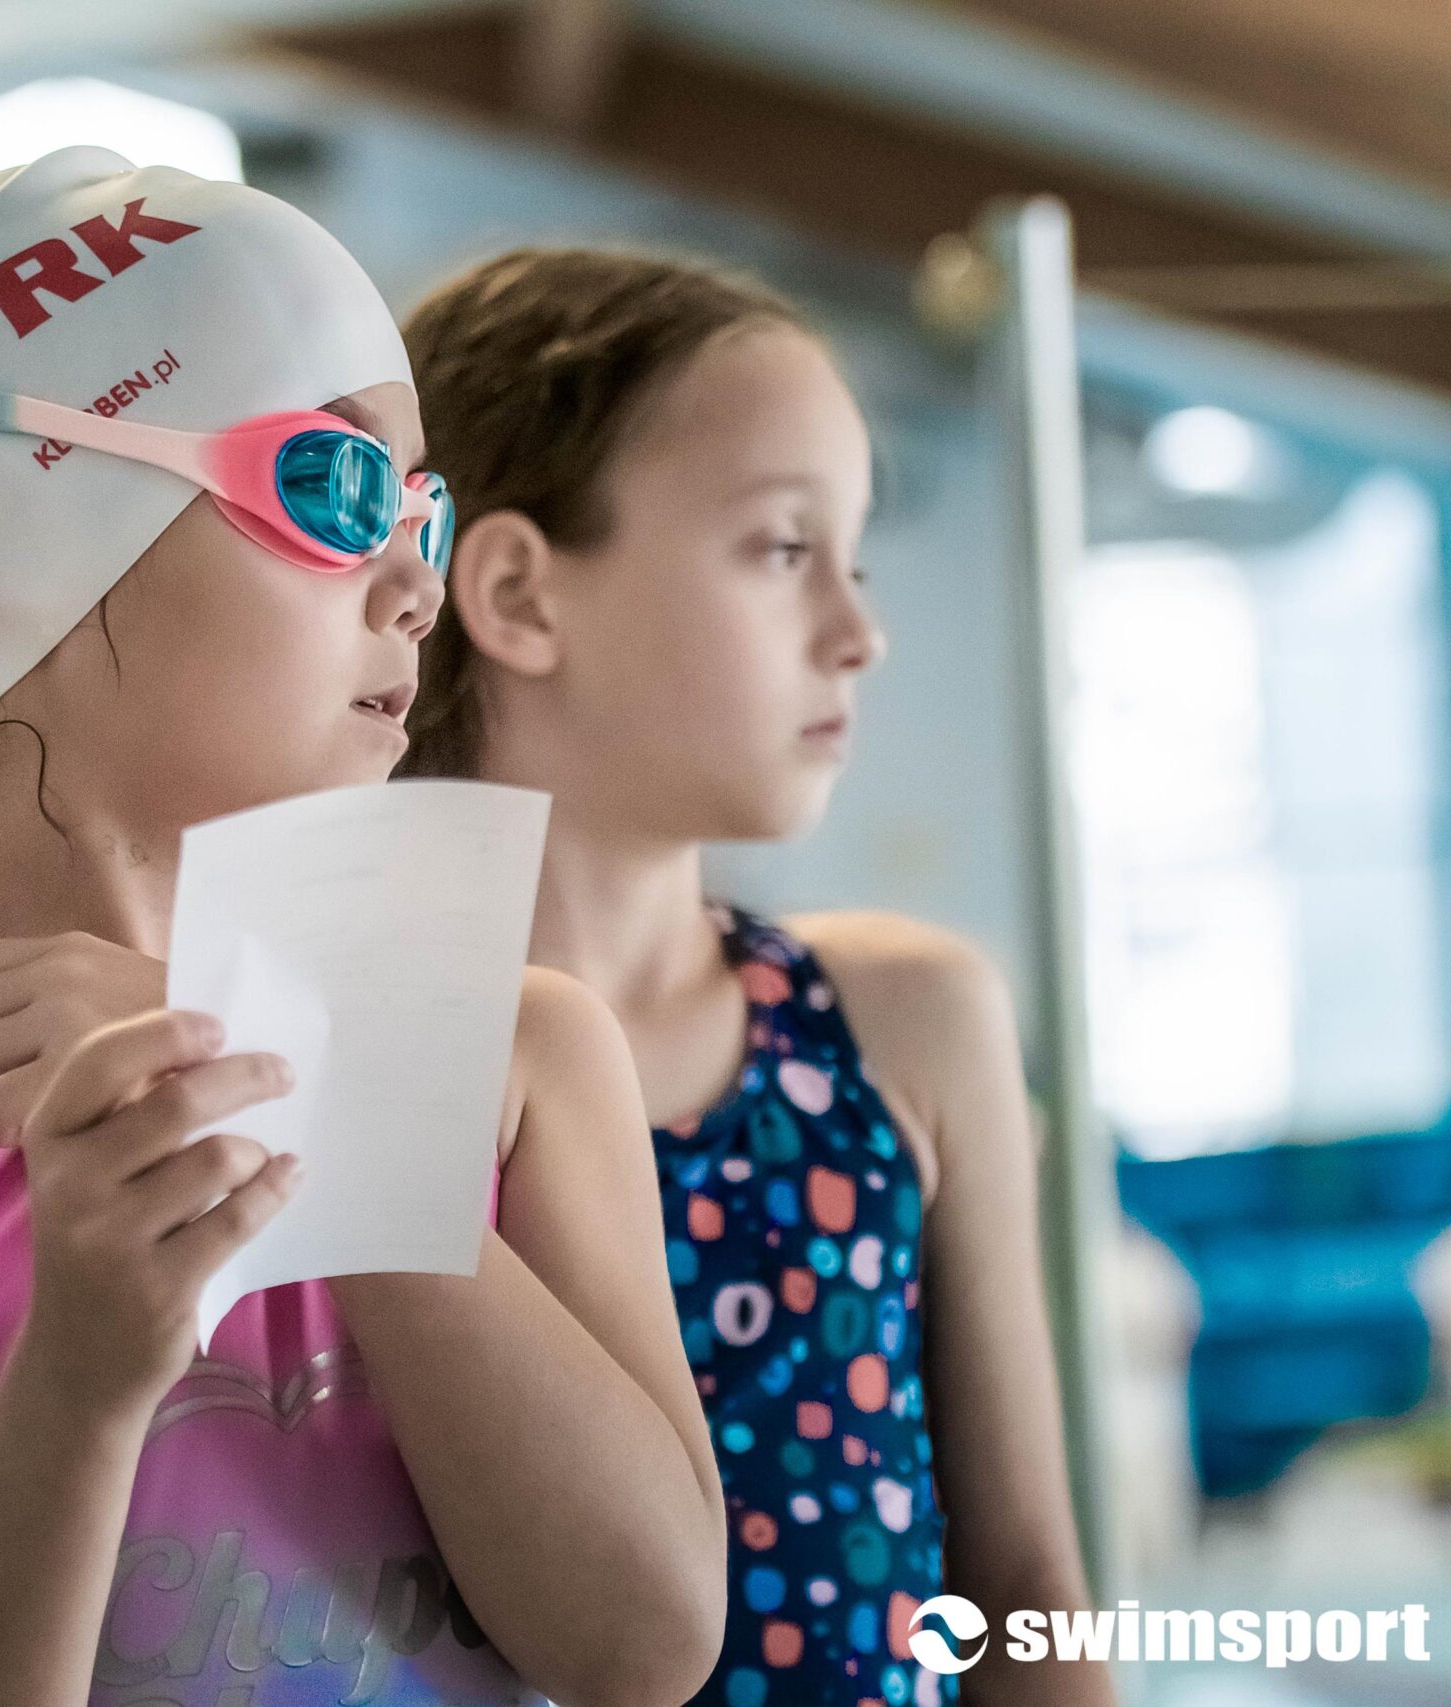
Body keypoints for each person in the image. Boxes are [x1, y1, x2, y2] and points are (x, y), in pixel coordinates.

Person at [0, 148, 728, 1707]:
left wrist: (306, 1105)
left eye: (420, 510)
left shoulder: (515, 1046)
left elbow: (646, 1641)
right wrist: (83, 1380)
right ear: (22, 554)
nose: (414, 586)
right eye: (335, 487)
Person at [397, 247, 1110, 1707]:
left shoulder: (902, 1027)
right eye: (785, 548)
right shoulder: (342, 1068)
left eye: (857, 557)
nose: (859, 632)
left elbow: (1027, 1587)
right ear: (519, 592)